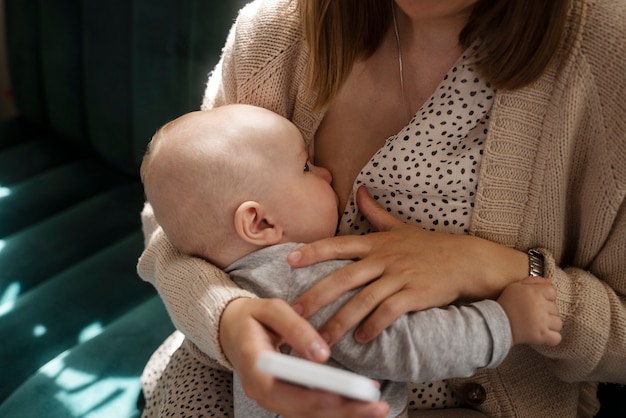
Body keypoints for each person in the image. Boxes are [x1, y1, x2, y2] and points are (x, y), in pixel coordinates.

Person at [137, 0, 626, 417]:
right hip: (220, 370)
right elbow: (179, 226)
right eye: (308, 167)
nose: (323, 174)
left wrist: (505, 270)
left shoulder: (608, 52)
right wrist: (226, 321)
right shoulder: (273, 33)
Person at [139, 104, 561, 417]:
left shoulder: (247, 278)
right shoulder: (308, 279)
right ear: (260, 222)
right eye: (306, 167)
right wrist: (504, 322)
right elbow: (407, 346)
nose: (325, 174)